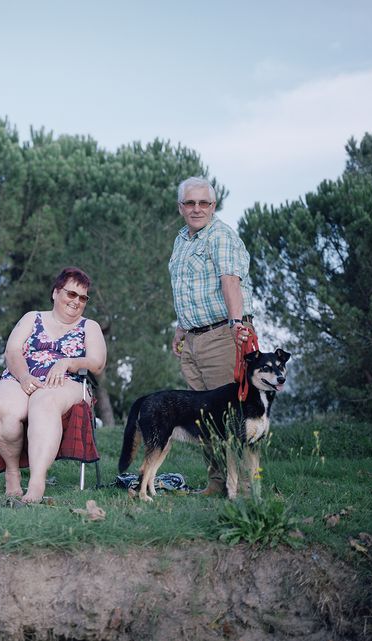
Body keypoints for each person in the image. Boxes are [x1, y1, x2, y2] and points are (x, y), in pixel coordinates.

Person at [0, 267, 107, 504]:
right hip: (23, 375)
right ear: (55, 293)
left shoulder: (89, 326)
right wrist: (23, 377)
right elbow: (12, 351)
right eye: (71, 294)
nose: (76, 302)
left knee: (44, 401)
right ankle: (12, 472)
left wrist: (68, 362)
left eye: (83, 297)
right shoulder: (32, 318)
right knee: (3, 405)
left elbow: (97, 363)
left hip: (67, 382)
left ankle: (36, 481)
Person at [168, 176, 255, 496]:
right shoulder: (183, 239)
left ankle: (244, 489)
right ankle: (218, 483)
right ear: (180, 208)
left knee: (232, 416)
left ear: (213, 206)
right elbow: (189, 289)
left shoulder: (219, 236)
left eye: (204, 203)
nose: (197, 208)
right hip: (193, 338)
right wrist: (181, 326)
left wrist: (236, 324)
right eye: (190, 203)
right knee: (206, 418)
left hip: (222, 335)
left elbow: (229, 283)